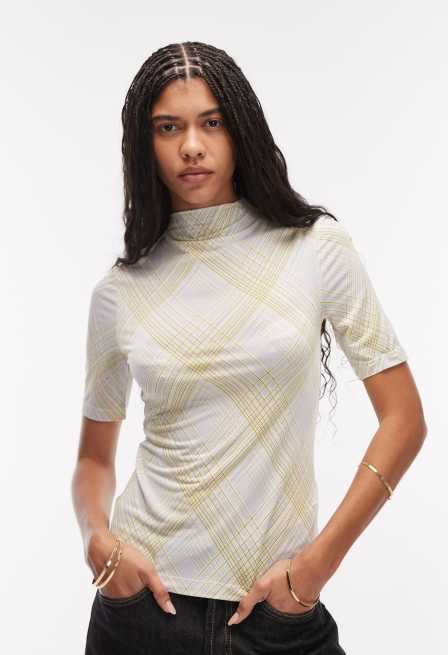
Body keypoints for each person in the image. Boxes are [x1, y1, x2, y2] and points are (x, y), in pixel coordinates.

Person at [72, 41, 427, 655]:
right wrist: (97, 541)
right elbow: (94, 459)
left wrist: (314, 569)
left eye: (211, 122)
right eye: (168, 127)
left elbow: (404, 420)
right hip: (142, 614)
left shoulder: (316, 249)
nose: (191, 145)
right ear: (144, 144)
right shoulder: (120, 291)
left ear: (240, 129)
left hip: (278, 615)